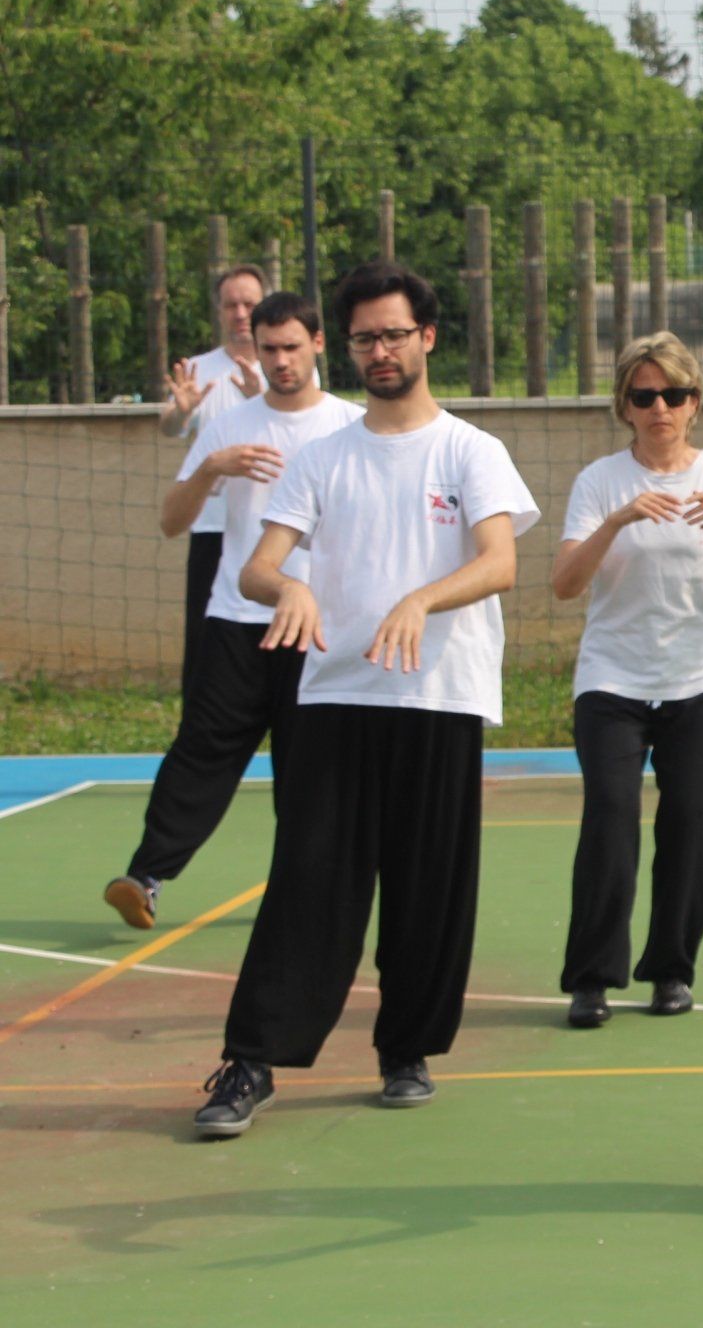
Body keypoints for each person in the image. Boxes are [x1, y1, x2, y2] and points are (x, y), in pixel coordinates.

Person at [191, 261, 539, 1137]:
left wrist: (421, 598)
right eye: (363, 338)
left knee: (430, 886)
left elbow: (500, 562)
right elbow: (259, 566)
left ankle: (406, 1046)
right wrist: (289, 592)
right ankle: (252, 1062)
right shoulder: (322, 457)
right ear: (345, 348)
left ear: (426, 338)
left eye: (393, 334)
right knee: (311, 882)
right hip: (337, 695)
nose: (379, 351)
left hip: (440, 696)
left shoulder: (471, 451)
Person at [102, 293, 363, 930]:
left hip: (316, 628)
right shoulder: (228, 427)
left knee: (309, 769)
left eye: (291, 347)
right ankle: (147, 876)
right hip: (236, 620)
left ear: (319, 345)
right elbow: (171, 522)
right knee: (200, 751)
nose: (279, 360)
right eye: (269, 348)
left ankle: (309, 893)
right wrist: (210, 468)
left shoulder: (350, 428)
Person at [554, 331, 703, 1028]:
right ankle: (592, 978)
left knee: (689, 821)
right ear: (625, 406)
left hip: (702, 678)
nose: (660, 409)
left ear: (694, 403)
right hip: (613, 679)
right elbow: (564, 584)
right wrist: (618, 519)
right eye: (645, 396)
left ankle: (672, 970)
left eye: (673, 395)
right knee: (611, 817)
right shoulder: (599, 482)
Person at [160, 264, 269, 692]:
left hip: (270, 529)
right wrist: (181, 411)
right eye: (232, 305)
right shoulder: (199, 370)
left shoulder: (291, 370)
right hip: (213, 529)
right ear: (220, 312)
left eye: (250, 304)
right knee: (206, 643)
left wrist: (260, 398)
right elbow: (170, 428)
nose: (241, 313)